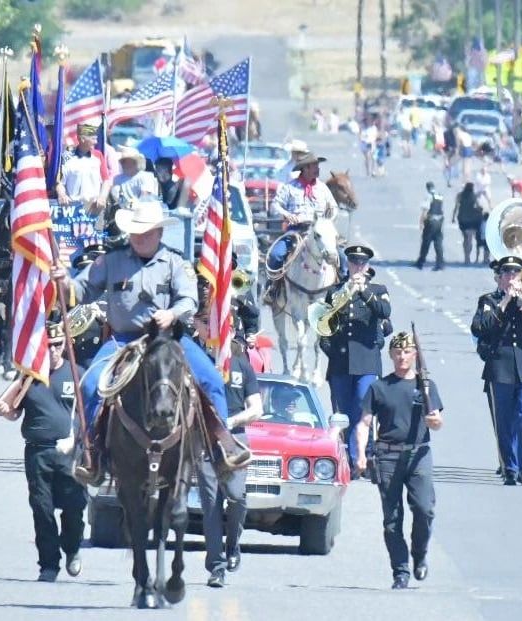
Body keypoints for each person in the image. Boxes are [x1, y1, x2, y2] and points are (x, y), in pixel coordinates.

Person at [51, 199, 228, 479]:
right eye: (136, 231)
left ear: (159, 233)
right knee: (90, 385)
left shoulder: (175, 263)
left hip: (168, 341)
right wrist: (63, 282)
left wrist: (171, 314)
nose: (141, 237)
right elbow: (80, 290)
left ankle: (221, 447)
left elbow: (189, 300)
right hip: (122, 340)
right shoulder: (109, 261)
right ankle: (90, 452)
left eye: (147, 232)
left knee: (212, 380)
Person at [356, 331, 443, 590]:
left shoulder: (425, 385)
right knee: (392, 518)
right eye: (397, 352)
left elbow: (437, 420)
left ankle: (419, 554)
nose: (402, 356)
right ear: (391, 355)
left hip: (418, 454)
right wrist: (361, 454)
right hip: (388, 456)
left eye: (406, 352)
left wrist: (434, 421)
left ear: (415, 354)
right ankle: (400, 570)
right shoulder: (379, 387)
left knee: (424, 508)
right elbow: (364, 423)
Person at [14, 314, 88, 583]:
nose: (54, 350)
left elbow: (88, 415)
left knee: (73, 507)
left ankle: (71, 549)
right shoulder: (28, 376)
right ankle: (48, 564)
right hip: (37, 451)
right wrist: (5, 410)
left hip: (69, 452)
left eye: (58, 344)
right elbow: (12, 409)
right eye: (49, 345)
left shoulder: (78, 374)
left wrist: (77, 438)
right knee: (41, 508)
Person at [192, 317, 263, 588]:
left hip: (234, 438)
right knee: (210, 503)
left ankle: (233, 546)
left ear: (232, 331)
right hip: (205, 438)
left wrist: (230, 422)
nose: (221, 332)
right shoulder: (197, 364)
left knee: (235, 497)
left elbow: (255, 408)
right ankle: (216, 565)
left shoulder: (242, 364)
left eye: (226, 327)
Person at [470, 256, 522, 486]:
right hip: (500, 368)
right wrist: (505, 301)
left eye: (516, 273)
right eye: (507, 273)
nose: (511, 277)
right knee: (503, 420)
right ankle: (510, 468)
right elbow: (480, 327)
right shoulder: (488, 300)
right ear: (500, 276)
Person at [319, 245, 391, 467]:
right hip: (341, 360)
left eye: (362, 263)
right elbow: (325, 325)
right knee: (343, 411)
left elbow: (384, 312)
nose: (358, 266)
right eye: (354, 262)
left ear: (367, 265)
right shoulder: (336, 291)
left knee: (362, 408)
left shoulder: (377, 290)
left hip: (366, 360)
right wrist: (330, 349)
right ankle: (349, 456)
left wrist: (364, 292)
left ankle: (363, 454)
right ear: (348, 264)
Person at [264, 152, 339, 303]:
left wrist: (328, 220)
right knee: (276, 255)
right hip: (297, 231)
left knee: (341, 257)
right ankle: (272, 288)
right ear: (304, 169)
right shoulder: (290, 187)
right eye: (314, 166)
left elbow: (334, 207)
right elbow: (275, 206)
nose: (318, 169)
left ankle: (341, 290)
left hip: (320, 232)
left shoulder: (323, 188)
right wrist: (286, 214)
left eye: (318, 166)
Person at [56, 123, 112, 214]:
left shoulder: (98, 156)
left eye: (96, 139)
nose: (96, 142)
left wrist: (102, 197)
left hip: (94, 207)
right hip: (72, 208)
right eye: (93, 139)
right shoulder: (67, 157)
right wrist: (62, 195)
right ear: (82, 139)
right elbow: (60, 182)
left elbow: (106, 180)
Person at [414, 182, 445, 271]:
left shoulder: (428, 196)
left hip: (431, 221)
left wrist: (421, 222)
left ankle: (421, 261)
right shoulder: (439, 195)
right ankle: (440, 263)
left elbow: (425, 210)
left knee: (426, 242)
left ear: (427, 188)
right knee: (438, 243)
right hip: (439, 221)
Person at [451, 182, 483, 264]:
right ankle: (468, 256)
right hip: (472, 219)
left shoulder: (460, 195)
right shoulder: (474, 196)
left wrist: (453, 217)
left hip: (462, 219)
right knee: (470, 239)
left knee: (466, 238)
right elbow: (478, 206)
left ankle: (466, 257)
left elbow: (456, 207)